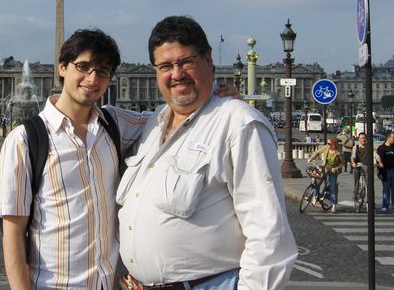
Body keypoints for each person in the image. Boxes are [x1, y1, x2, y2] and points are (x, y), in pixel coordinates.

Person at [0, 28, 239, 289]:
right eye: (83, 66)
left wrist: (211, 93)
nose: (92, 78)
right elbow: (12, 234)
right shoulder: (24, 141)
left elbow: (170, 116)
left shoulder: (114, 124)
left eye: (102, 71)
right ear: (62, 68)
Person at [116, 16, 297, 290]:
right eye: (165, 66)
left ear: (208, 59)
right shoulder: (154, 122)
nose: (176, 74)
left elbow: (269, 236)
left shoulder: (238, 124)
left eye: (186, 61)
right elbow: (93, 119)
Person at [307, 137, 344, 213]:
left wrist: (336, 168)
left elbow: (343, 163)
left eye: (329, 143)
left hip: (333, 170)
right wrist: (311, 158)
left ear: (334, 144)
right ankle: (315, 196)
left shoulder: (339, 152)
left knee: (332, 187)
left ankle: (333, 205)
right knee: (317, 181)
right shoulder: (326, 148)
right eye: (327, 143)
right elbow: (317, 152)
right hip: (325, 168)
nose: (327, 144)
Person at [376, 131, 394, 213]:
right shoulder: (381, 148)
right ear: (388, 138)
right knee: (386, 189)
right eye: (393, 137)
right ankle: (385, 205)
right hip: (385, 171)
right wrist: (380, 173)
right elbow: (378, 160)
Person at [351, 133, 371, 199]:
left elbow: (375, 155)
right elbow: (353, 156)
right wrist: (353, 163)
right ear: (359, 139)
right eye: (361, 138)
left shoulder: (369, 147)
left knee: (369, 185)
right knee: (356, 172)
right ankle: (356, 189)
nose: (363, 140)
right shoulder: (356, 147)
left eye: (364, 138)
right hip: (358, 166)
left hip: (367, 167)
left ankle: (371, 202)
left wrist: (379, 162)